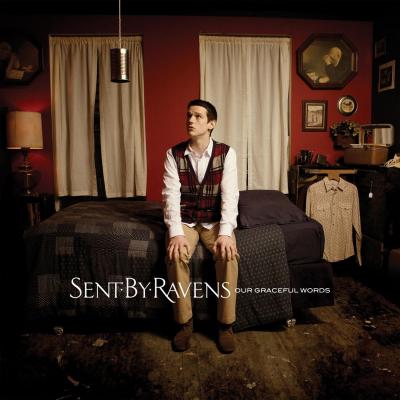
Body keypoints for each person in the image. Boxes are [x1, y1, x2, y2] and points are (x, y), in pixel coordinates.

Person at [162, 99, 239, 353]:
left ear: (211, 124)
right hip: (185, 220)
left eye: (197, 116)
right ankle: (184, 323)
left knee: (228, 256)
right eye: (188, 115)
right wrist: (175, 233)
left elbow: (230, 196)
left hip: (213, 221)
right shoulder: (173, 154)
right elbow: (170, 196)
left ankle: (225, 325)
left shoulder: (226, 153)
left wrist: (226, 233)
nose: (190, 120)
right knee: (175, 254)